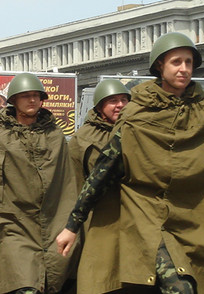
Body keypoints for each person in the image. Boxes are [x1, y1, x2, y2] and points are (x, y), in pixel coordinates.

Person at [56, 32, 204, 293]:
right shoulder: (137, 112)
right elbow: (106, 168)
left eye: (188, 62)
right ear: (160, 65)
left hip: (197, 220)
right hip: (148, 217)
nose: (183, 69)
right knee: (181, 288)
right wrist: (73, 224)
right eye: (176, 62)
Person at [0, 72, 79, 294]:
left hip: (53, 224)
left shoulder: (55, 135)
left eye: (36, 95)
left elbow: (67, 185)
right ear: (13, 100)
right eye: (25, 96)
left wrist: (69, 225)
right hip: (13, 226)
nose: (32, 100)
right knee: (24, 285)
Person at [65, 79, 129, 294]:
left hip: (133, 215)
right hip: (97, 219)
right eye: (112, 101)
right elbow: (74, 182)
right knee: (100, 279)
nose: (119, 105)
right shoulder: (82, 138)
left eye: (123, 100)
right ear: (100, 107)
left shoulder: (137, 130)